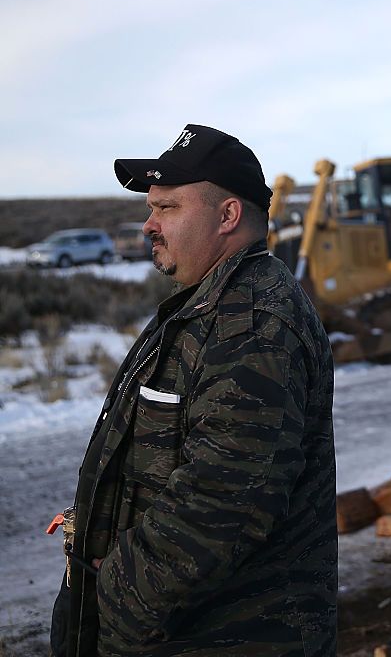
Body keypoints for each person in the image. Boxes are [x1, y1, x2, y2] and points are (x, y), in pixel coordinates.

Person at [50, 124, 338, 656]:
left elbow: (229, 498)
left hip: (217, 636)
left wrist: (117, 588)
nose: (149, 225)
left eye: (168, 208)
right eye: (151, 208)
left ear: (228, 216)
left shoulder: (252, 322)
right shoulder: (210, 302)